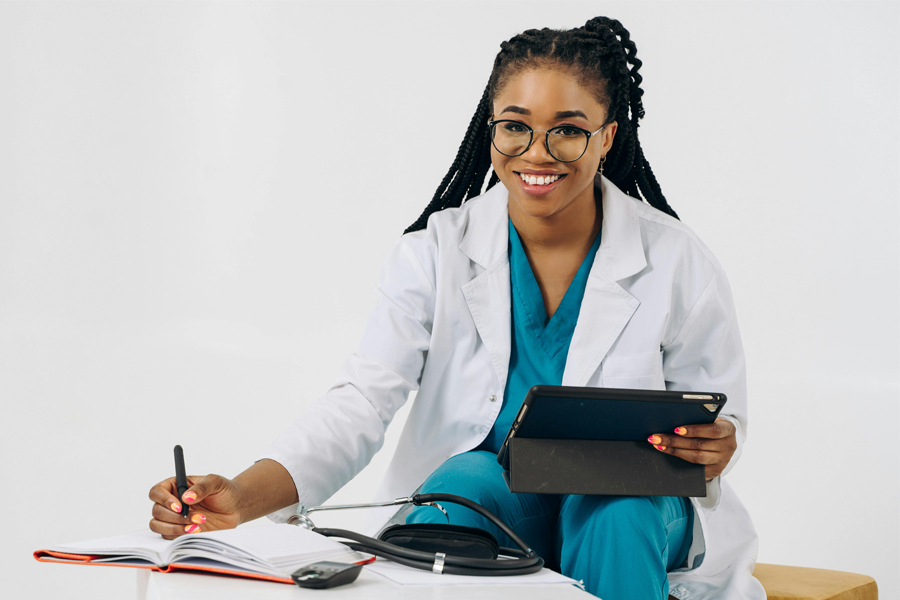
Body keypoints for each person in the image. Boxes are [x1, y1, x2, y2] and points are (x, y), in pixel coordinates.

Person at [148, 16, 764, 600]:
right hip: (498, 499)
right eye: (516, 125)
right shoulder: (435, 252)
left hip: (630, 506)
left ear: (608, 136)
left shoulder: (678, 261)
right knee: (458, 488)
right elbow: (362, 401)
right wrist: (243, 495)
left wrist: (717, 442)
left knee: (615, 508)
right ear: (489, 127)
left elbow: (718, 413)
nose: (537, 152)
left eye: (569, 129)